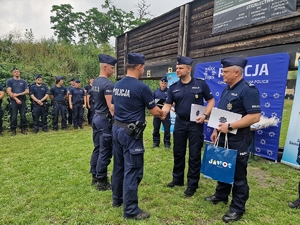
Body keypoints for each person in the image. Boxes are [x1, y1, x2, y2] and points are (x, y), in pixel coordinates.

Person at [204, 57, 261, 223]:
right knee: (223, 167)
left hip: (238, 139)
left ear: (237, 72)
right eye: (223, 71)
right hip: (223, 136)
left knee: (238, 174)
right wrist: (215, 128)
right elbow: (221, 111)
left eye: (226, 71)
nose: (222, 74)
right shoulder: (226, 89)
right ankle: (221, 195)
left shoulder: (248, 90)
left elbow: (254, 117)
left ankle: (237, 208)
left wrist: (229, 126)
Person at [111, 53, 165, 220]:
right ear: (140, 66)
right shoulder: (142, 87)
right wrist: (163, 112)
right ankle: (131, 210)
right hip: (131, 133)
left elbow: (113, 106)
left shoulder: (117, 84)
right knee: (133, 170)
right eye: (144, 67)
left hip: (117, 128)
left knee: (118, 166)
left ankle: (117, 200)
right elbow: (155, 111)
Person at [162, 56, 215, 197]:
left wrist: (205, 115)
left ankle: (192, 184)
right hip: (180, 123)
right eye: (176, 68)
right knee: (178, 152)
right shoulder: (173, 87)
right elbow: (167, 104)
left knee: (194, 155)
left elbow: (211, 101)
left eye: (180, 68)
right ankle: (177, 179)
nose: (177, 70)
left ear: (189, 69)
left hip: (195, 124)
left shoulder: (200, 84)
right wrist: (162, 113)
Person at [89, 54, 116, 191]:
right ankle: (102, 180)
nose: (113, 71)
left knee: (97, 148)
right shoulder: (108, 84)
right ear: (105, 67)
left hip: (96, 117)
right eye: (112, 68)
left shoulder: (96, 82)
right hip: (105, 120)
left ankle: (94, 175)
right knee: (105, 150)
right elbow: (111, 107)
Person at [6, 67, 29, 136]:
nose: (17, 73)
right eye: (15, 71)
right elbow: (9, 92)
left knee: (23, 115)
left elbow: (27, 91)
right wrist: (16, 99)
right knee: (13, 116)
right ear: (12, 73)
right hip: (13, 100)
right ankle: (13, 130)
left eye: (18, 71)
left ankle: (23, 129)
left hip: (22, 99)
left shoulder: (23, 81)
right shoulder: (10, 81)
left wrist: (18, 94)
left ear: (19, 73)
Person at [152, 76, 171, 149]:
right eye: (162, 83)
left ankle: (167, 143)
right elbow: (152, 101)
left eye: (165, 83)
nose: (163, 85)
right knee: (156, 128)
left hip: (165, 113)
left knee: (167, 129)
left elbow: (172, 102)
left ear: (167, 84)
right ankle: (156, 142)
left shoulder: (169, 92)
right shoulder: (156, 91)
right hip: (157, 113)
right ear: (160, 83)